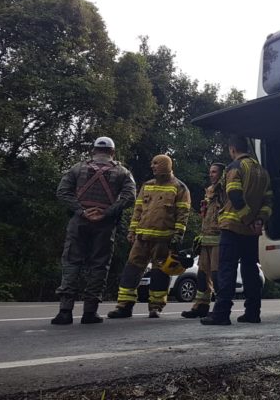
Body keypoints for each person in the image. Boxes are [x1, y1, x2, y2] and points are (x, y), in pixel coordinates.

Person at [52, 136, 136, 325]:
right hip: (105, 225)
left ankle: (65, 312)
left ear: (93, 150)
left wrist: (81, 211)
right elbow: (130, 197)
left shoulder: (77, 168)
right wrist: (107, 213)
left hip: (79, 222)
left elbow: (62, 192)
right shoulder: (123, 172)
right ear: (112, 152)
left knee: (71, 262)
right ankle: (90, 312)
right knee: (99, 265)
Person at [107, 154, 191, 319]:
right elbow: (137, 211)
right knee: (131, 270)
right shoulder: (147, 186)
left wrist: (178, 234)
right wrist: (132, 231)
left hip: (163, 240)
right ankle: (124, 306)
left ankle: (155, 307)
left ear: (166, 165)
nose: (152, 166)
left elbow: (183, 214)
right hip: (142, 239)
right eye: (152, 163)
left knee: (160, 273)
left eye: (156, 163)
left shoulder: (179, 188)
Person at [201, 135, 272, 326]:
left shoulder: (235, 167)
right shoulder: (262, 171)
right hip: (251, 232)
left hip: (232, 228)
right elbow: (268, 201)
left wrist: (247, 218)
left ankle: (221, 314)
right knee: (250, 271)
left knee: (227, 270)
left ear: (232, 149)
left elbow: (233, 193)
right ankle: (253, 313)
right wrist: (258, 220)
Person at [181, 162, 226, 318]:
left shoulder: (224, 190)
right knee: (202, 275)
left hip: (218, 238)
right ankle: (201, 306)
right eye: (210, 172)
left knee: (216, 274)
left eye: (214, 172)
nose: (211, 174)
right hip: (206, 238)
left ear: (221, 174)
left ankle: (221, 306)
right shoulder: (209, 191)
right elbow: (206, 215)